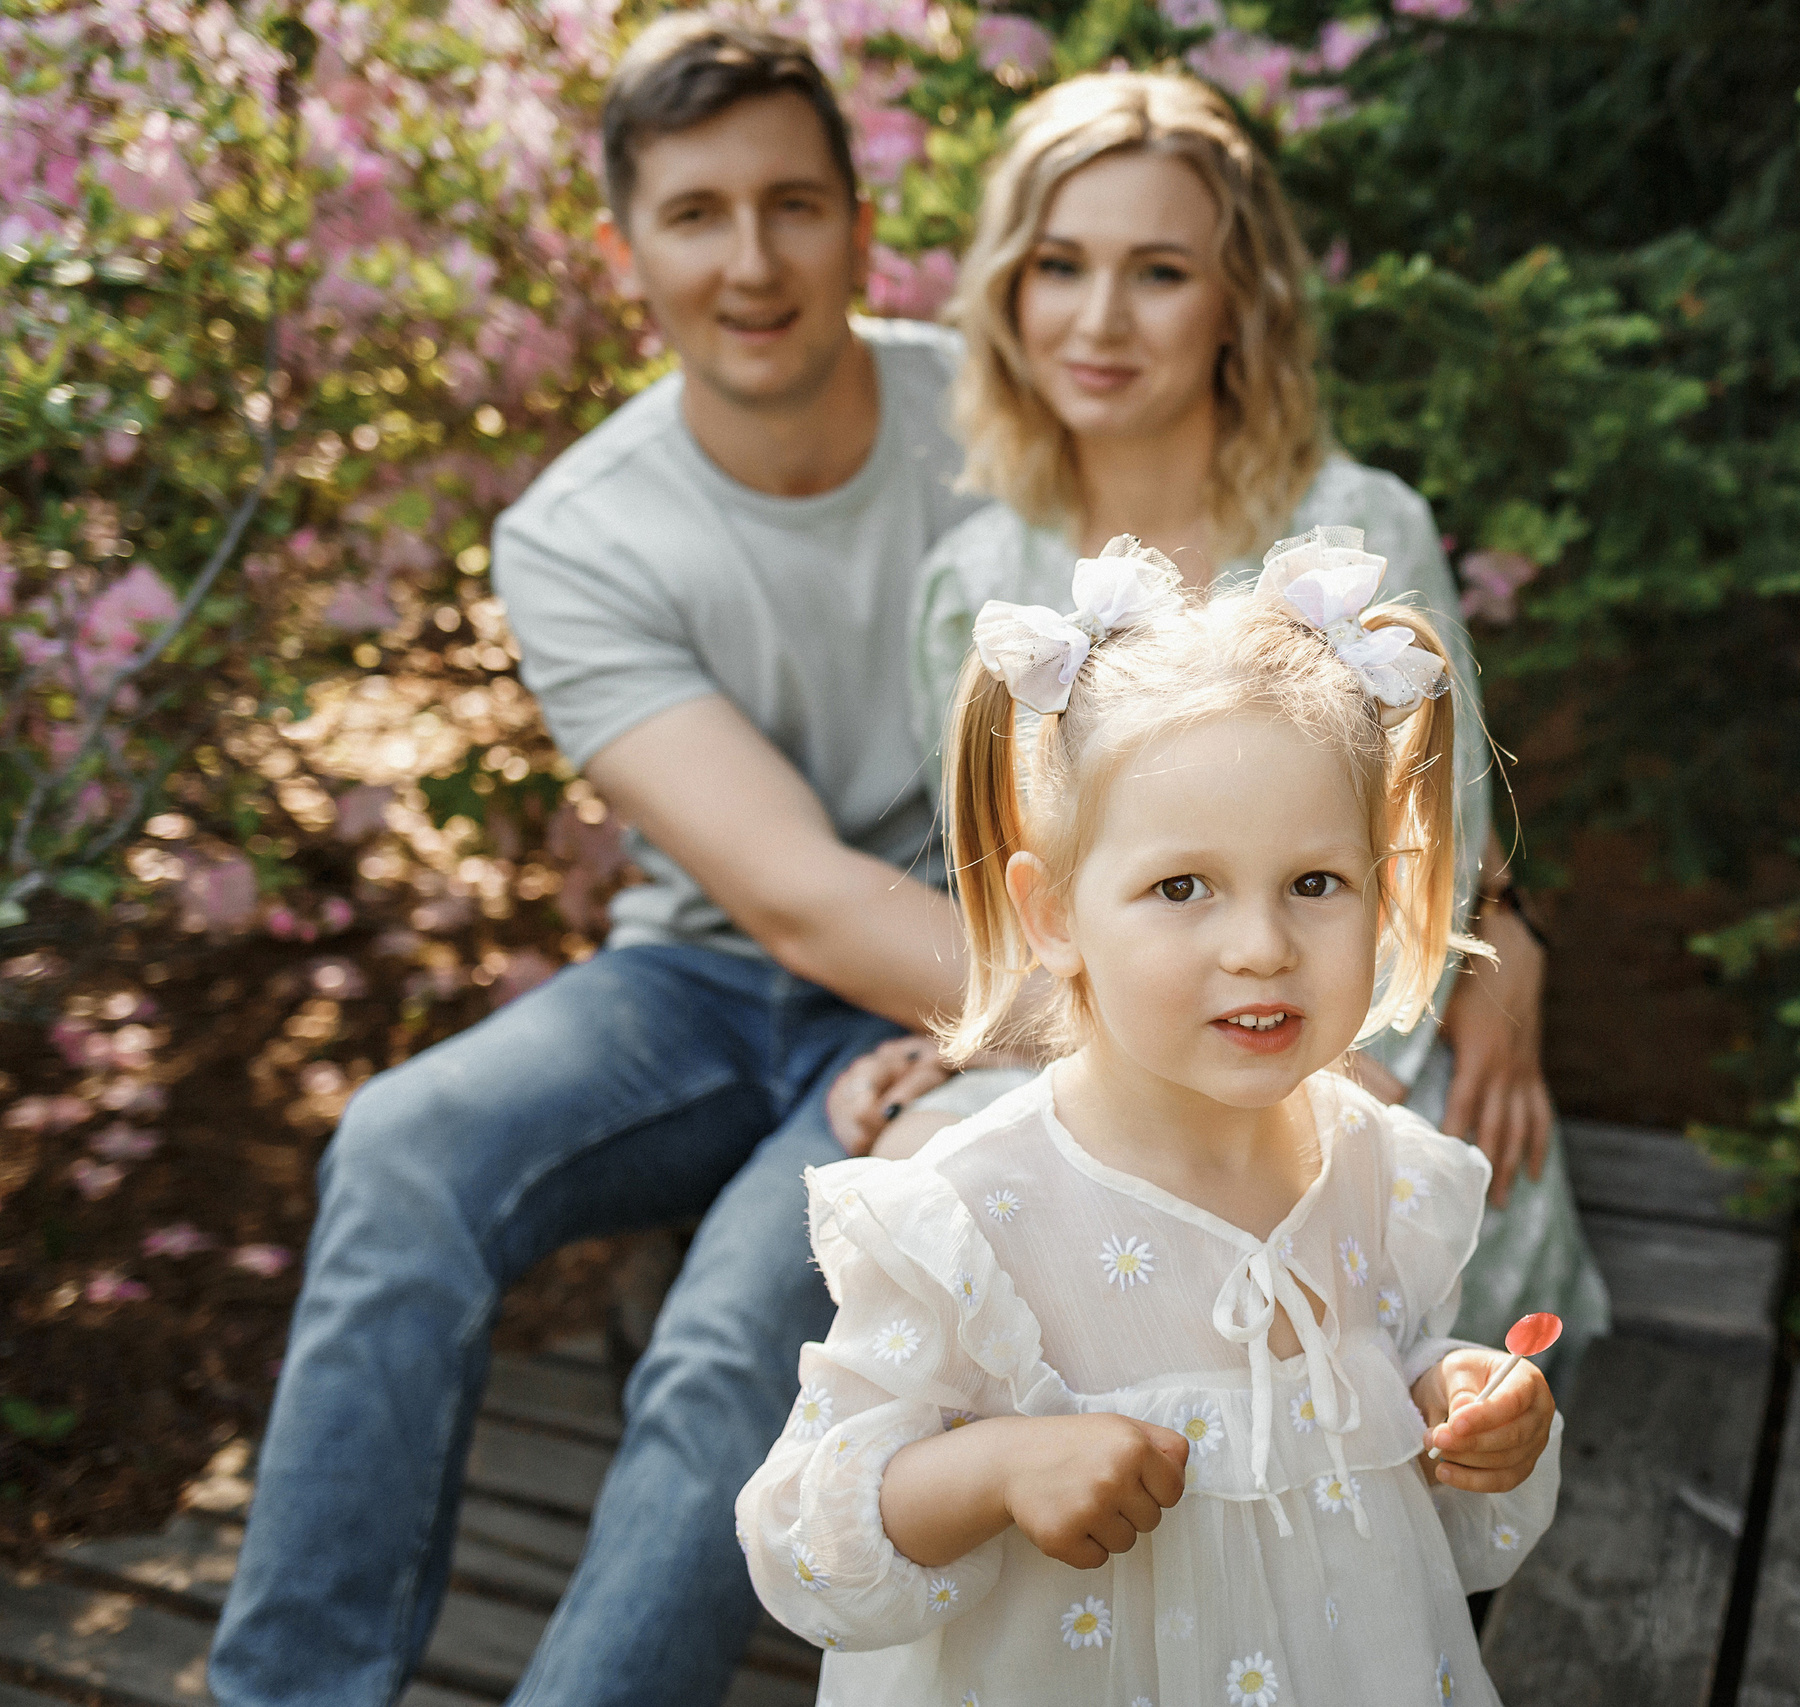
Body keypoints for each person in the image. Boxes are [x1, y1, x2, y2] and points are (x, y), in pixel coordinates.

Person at [208, 16, 990, 1705]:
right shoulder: (580, 526)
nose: (755, 258)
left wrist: (1063, 1021)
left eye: (794, 202)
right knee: (406, 1142)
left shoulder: (995, 419)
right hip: (711, 978)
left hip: (954, 997)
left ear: (862, 219)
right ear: (626, 247)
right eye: (697, 212)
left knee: (735, 1323)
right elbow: (782, 892)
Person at [827, 70, 1608, 1366]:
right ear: (1008, 289)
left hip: (1345, 1038)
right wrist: (972, 1040)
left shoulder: (1360, 533)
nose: (1099, 318)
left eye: (1160, 273)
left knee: (1329, 1217)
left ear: (1239, 300)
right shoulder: (973, 585)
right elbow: (1013, 908)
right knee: (924, 1174)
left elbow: (1432, 859)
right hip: (1103, 1055)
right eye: (1059, 265)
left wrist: (1395, 1032)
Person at [739, 535, 1559, 1705]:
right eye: (1183, 888)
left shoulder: (1380, 1171)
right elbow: (799, 1544)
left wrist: (1454, 1399)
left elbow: (1381, 1377)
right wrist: (993, 1468)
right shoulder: (971, 1218)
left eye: (1315, 883)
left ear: (1384, 889)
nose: (1260, 946)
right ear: (1056, 912)